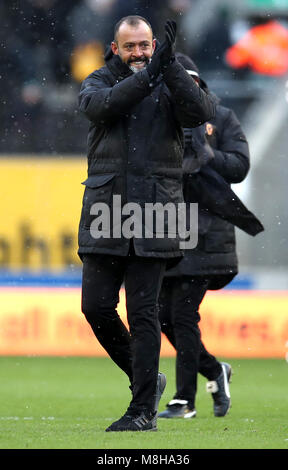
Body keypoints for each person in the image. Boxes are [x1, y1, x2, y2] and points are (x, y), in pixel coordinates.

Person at [78, 17, 215, 432]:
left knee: (143, 315)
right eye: (130, 46)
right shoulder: (98, 80)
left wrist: (168, 65)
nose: (138, 53)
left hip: (156, 213)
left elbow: (202, 112)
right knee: (96, 307)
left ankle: (142, 412)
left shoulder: (172, 76)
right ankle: (147, 381)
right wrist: (154, 71)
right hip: (108, 212)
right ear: (115, 48)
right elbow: (104, 107)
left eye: (145, 46)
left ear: (154, 44)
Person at [158, 53, 263, 419]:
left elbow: (240, 167)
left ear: (199, 84)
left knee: (183, 314)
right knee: (162, 316)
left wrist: (209, 156)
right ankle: (214, 370)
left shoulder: (220, 117)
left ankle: (184, 400)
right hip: (166, 227)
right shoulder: (159, 116)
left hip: (208, 233)